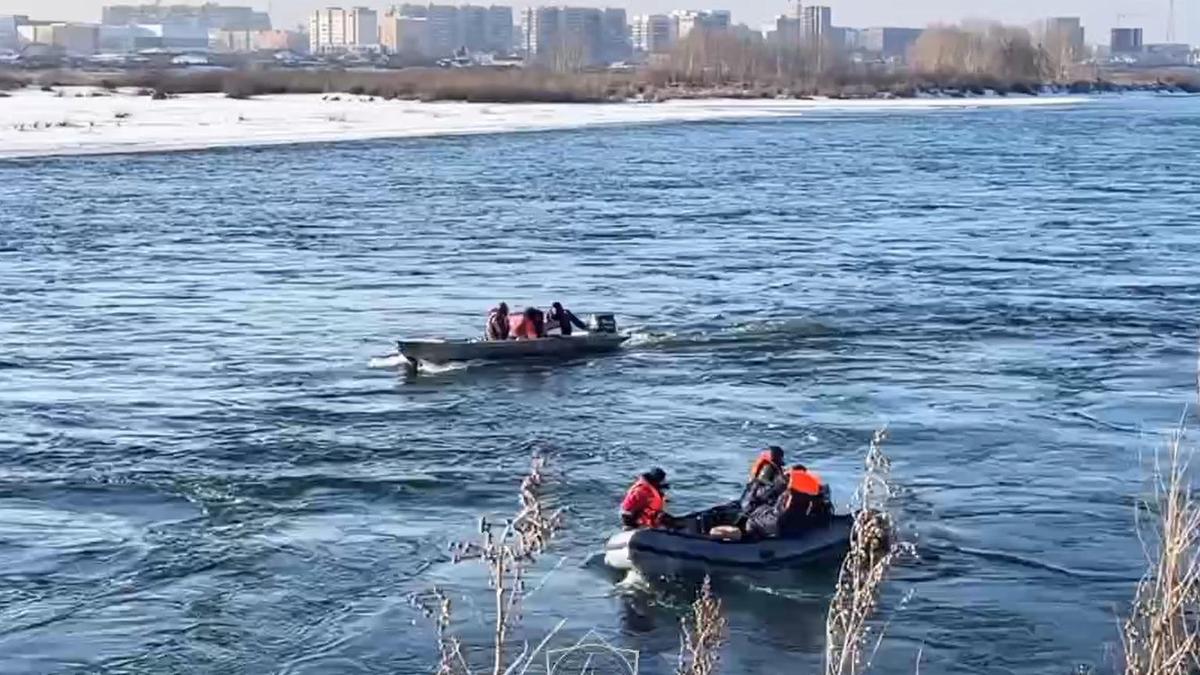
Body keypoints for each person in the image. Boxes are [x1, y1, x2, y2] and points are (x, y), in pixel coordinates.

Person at [744, 464, 832, 540]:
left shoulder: (786, 489)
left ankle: (750, 539)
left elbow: (769, 502)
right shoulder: (810, 491)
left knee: (751, 520)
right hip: (791, 523)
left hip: (778, 524)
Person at [743, 446, 787, 511]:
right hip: (754, 502)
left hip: (750, 497)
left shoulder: (770, 467)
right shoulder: (769, 468)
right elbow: (762, 483)